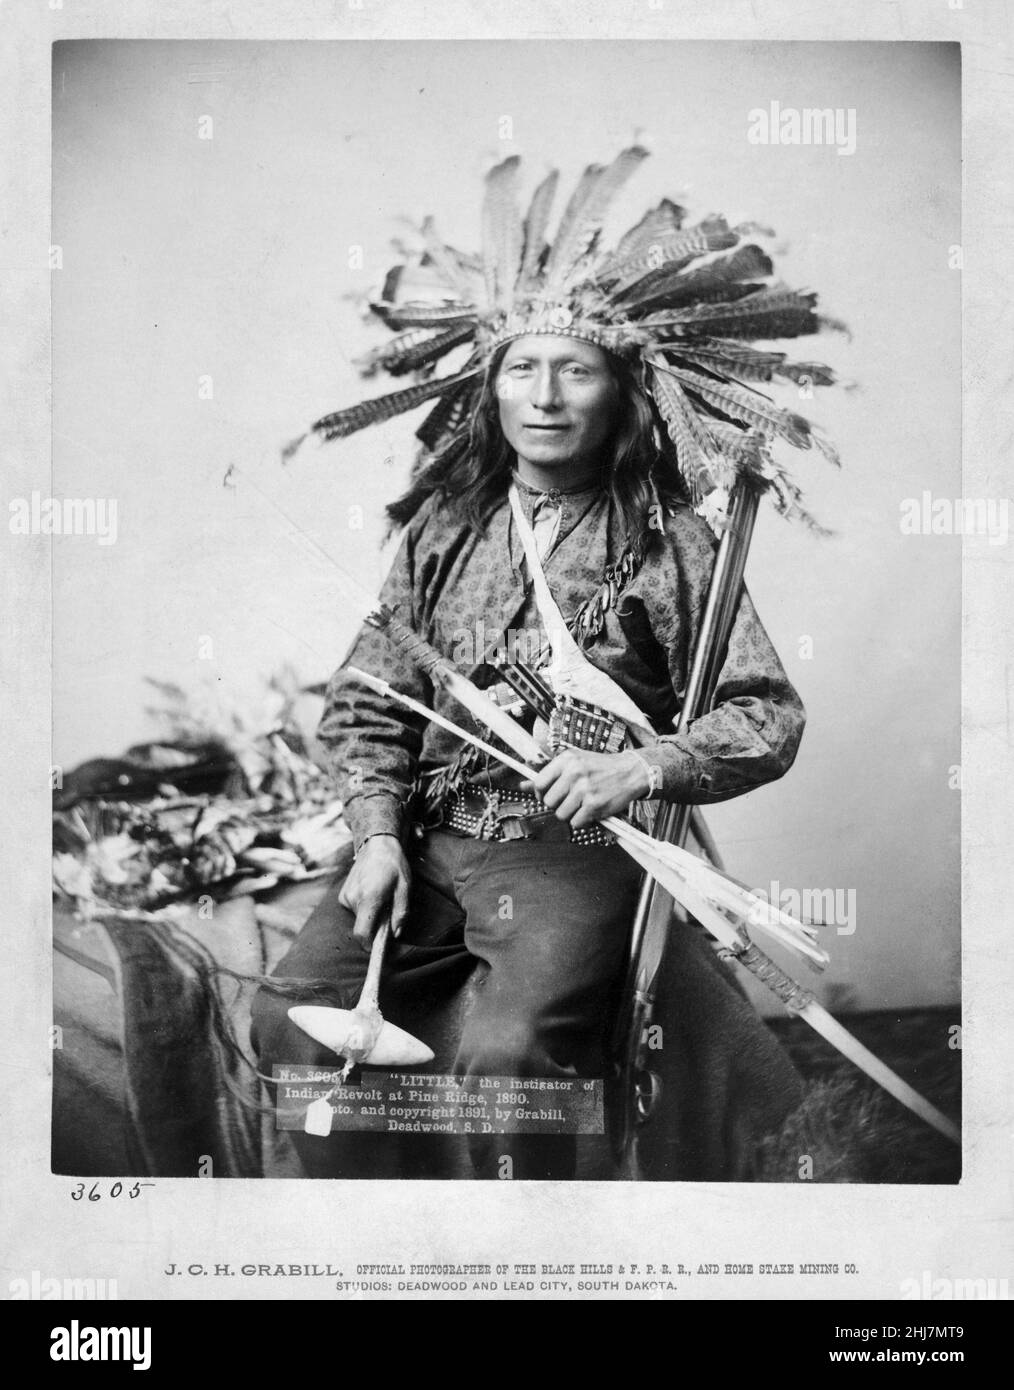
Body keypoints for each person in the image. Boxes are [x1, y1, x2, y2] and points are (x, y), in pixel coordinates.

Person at [251, 146, 836, 1179]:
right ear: (490, 387)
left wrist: (641, 766)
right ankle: (384, 1249)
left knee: (510, 1058)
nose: (548, 393)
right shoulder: (441, 529)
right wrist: (376, 835)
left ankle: (537, 1258)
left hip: (571, 847)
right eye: (523, 365)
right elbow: (363, 703)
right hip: (425, 841)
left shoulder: (669, 538)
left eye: (578, 367)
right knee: (294, 1027)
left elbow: (764, 711)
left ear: (622, 388)